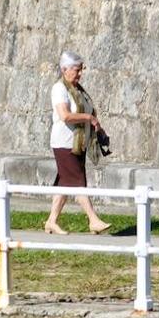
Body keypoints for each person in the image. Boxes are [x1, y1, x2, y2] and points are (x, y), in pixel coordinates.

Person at [44, 50, 111, 236]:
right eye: (77, 70)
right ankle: (93, 220)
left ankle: (51, 221)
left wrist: (98, 128)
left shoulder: (78, 90)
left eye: (81, 70)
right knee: (77, 182)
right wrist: (88, 118)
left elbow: (90, 111)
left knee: (66, 183)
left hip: (77, 142)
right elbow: (65, 115)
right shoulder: (59, 89)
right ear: (65, 69)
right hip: (64, 143)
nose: (80, 73)